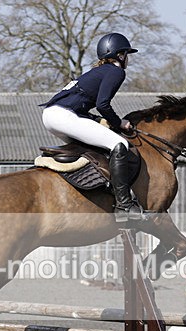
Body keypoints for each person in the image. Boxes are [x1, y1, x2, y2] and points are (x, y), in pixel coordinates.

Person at [41, 32, 143, 222]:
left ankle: (99, 189)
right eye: (126, 54)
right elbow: (102, 104)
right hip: (64, 116)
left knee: (93, 149)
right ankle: (124, 205)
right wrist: (119, 122)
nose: (128, 59)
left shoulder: (97, 72)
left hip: (51, 116)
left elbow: (83, 105)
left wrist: (97, 120)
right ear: (120, 55)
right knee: (120, 144)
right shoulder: (116, 71)